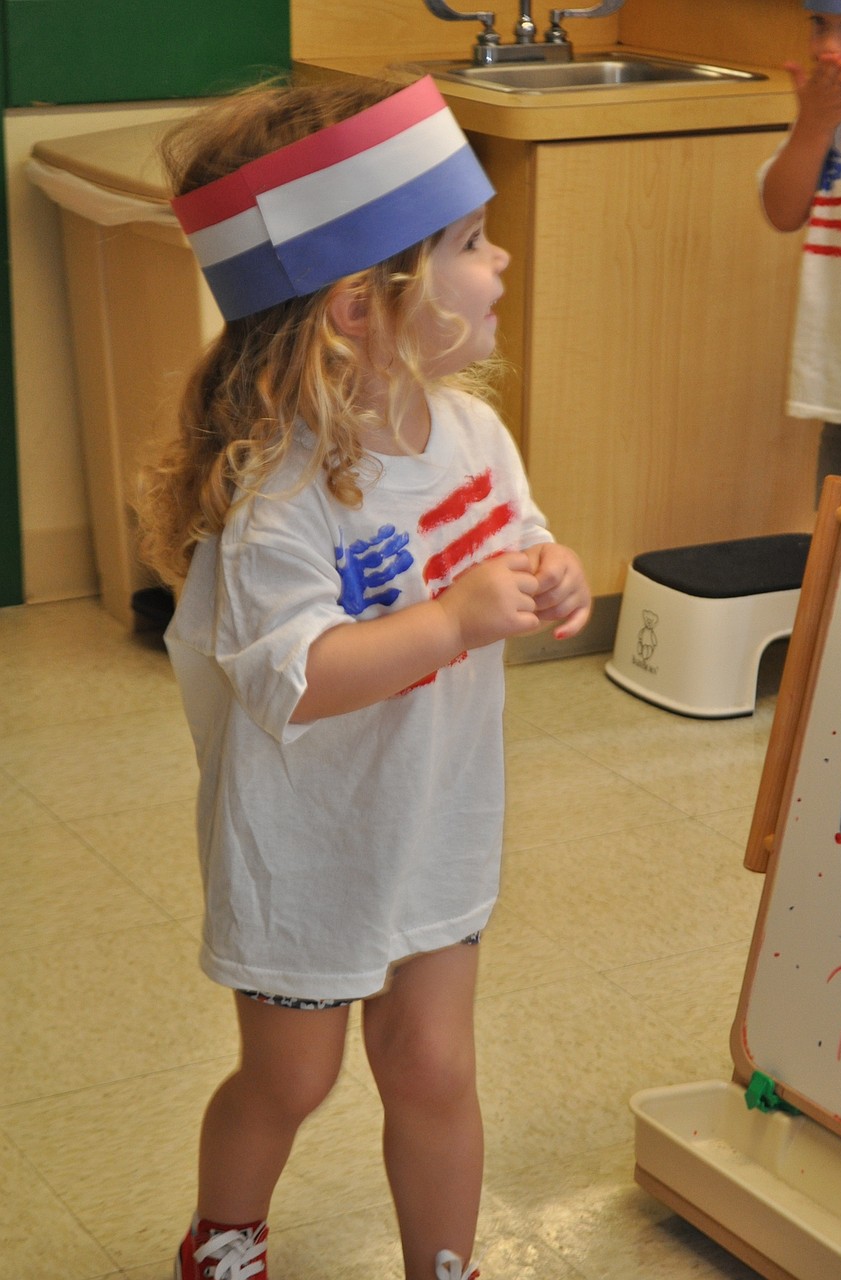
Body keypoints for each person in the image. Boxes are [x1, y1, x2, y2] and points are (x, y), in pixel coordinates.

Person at [137, 75, 591, 1280]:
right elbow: (295, 678)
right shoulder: (279, 495)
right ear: (357, 307)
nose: (500, 261)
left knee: (434, 1067)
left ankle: (445, 1263)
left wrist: (553, 574)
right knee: (293, 1075)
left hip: (433, 818)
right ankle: (224, 1235)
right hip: (309, 845)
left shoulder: (473, 430)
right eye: (469, 243)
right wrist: (448, 621)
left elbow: (519, 539)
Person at [760, 1, 841, 494]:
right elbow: (782, 210)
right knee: (836, 533)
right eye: (820, 25)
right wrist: (813, 127)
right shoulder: (830, 115)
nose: (828, 48)